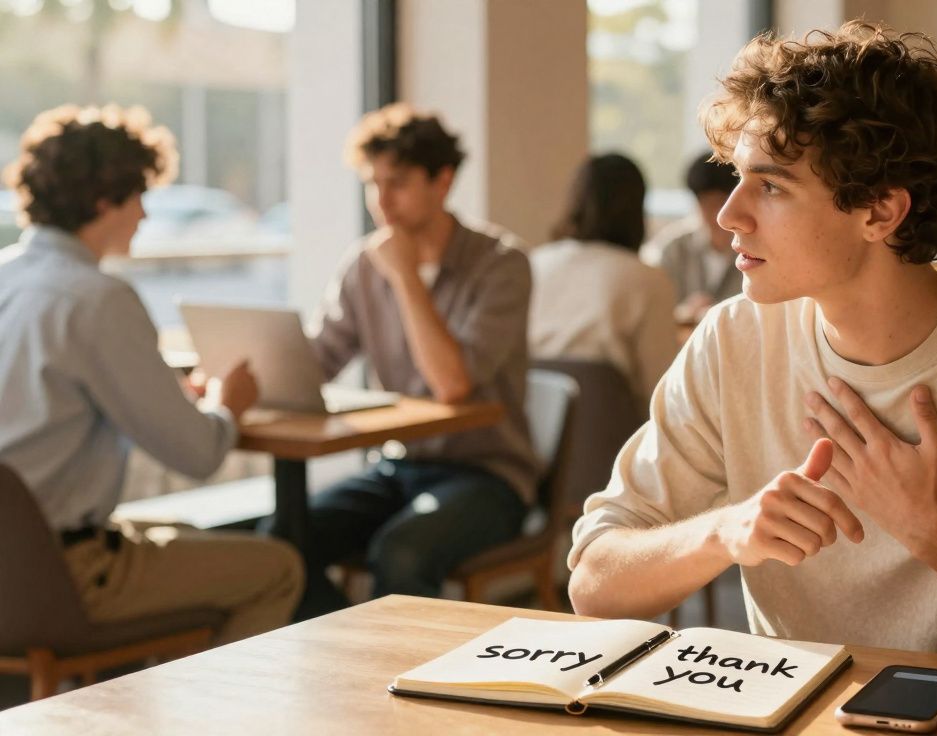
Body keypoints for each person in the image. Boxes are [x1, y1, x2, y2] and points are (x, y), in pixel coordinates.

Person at [567, 23, 937, 675]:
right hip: (791, 714)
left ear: (880, 213)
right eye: (737, 179)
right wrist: (725, 531)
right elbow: (593, 584)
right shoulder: (732, 339)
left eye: (770, 187)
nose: (729, 215)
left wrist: (933, 532)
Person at [0, 104, 302, 645]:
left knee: (185, 534)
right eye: (140, 197)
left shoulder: (8, 278)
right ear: (102, 201)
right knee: (278, 569)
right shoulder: (97, 300)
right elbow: (197, 454)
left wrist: (160, 399)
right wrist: (226, 406)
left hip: (14, 573)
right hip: (60, 576)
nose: (144, 216)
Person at [295, 103, 538, 618]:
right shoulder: (364, 264)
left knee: (402, 551)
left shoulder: (502, 264)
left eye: (398, 183)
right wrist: (240, 379)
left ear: (442, 181)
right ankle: (351, 656)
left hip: (488, 475)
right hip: (398, 465)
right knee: (285, 540)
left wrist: (405, 278)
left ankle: (398, 687)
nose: (381, 203)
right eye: (372, 183)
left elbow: (452, 384)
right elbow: (318, 359)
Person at [528, 153, 679, 407]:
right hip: (618, 435)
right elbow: (662, 391)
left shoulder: (534, 265)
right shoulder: (647, 280)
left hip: (537, 432)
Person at [641, 152, 742, 322]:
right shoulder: (672, 248)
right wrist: (685, 312)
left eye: (722, 202)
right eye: (708, 204)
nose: (718, 215)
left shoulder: (755, 249)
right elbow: (652, 314)